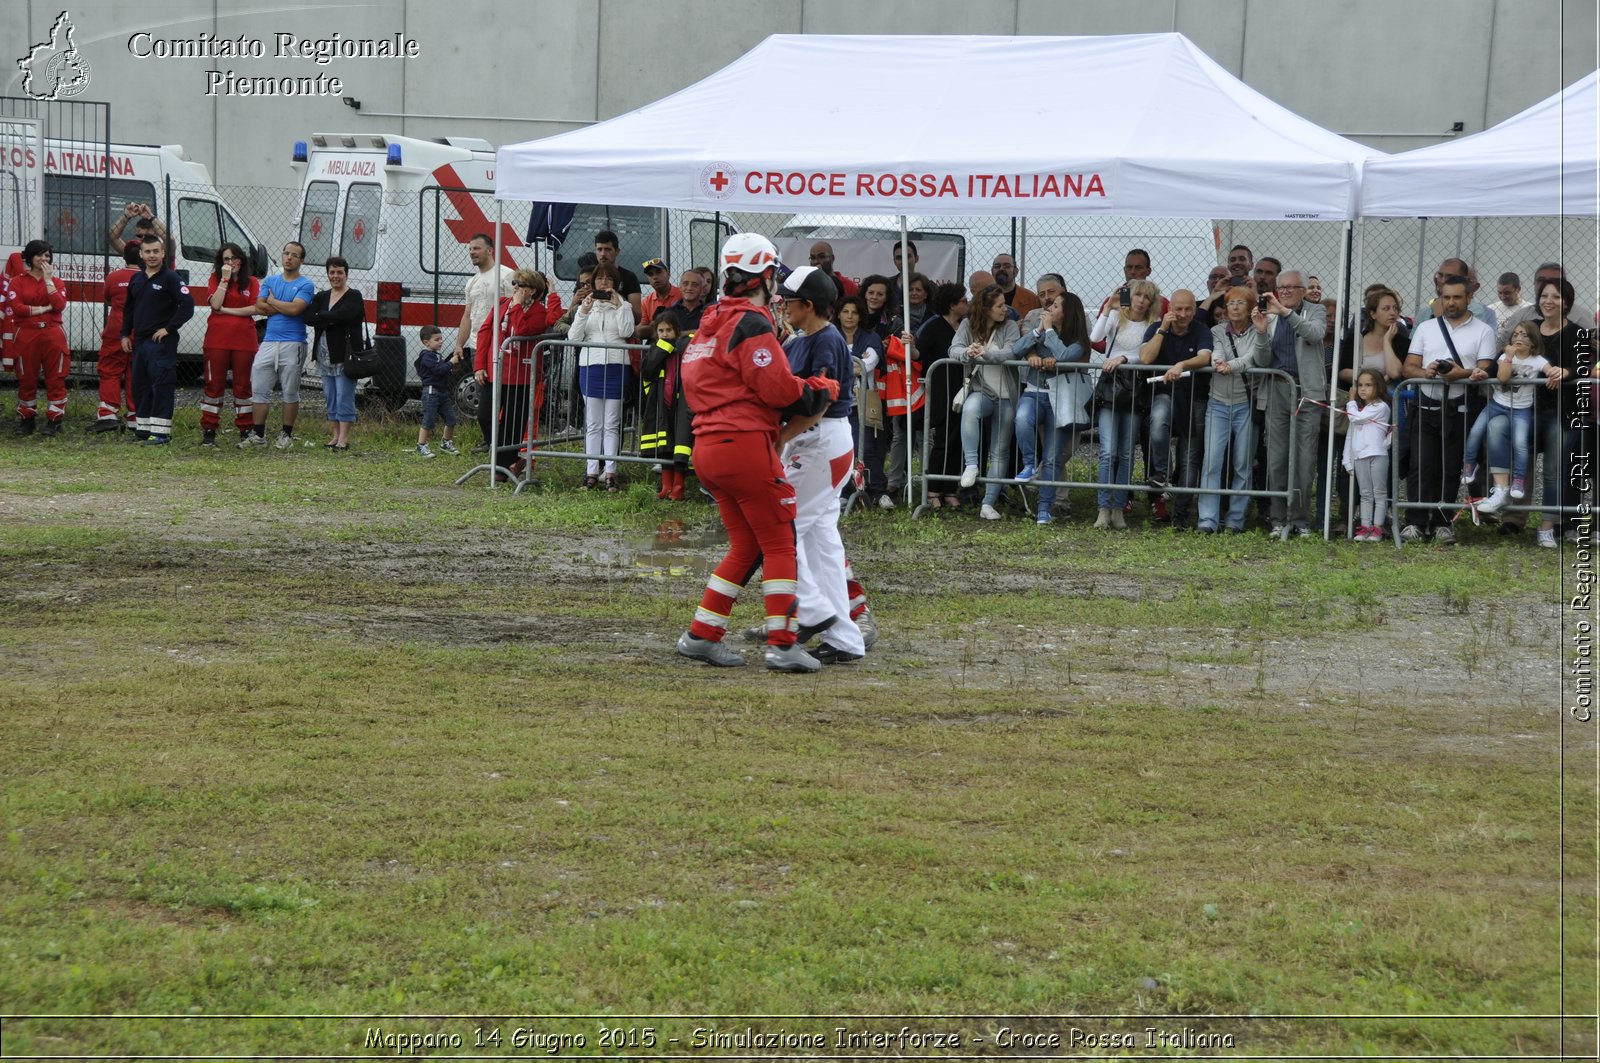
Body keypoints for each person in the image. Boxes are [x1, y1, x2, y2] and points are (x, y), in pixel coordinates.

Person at [674, 232, 838, 674]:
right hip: (743, 446)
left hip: (708, 448)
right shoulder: (750, 322)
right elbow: (780, 389)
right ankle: (783, 643)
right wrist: (818, 389)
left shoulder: (709, 323)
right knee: (780, 542)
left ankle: (701, 635)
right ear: (765, 275)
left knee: (745, 545)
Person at [773, 265, 866, 664]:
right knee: (821, 540)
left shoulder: (824, 340)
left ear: (808, 305)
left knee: (783, 529)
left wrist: (781, 437)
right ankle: (846, 638)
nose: (783, 306)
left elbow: (821, 401)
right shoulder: (802, 338)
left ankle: (811, 611)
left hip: (819, 440)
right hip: (816, 442)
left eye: (789, 302)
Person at [1400, 274, 1497, 545]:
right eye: (1446, 297)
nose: (1451, 302)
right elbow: (1408, 367)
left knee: (1450, 467)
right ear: (1440, 297)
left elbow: (1487, 367)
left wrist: (1461, 373)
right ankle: (1415, 522)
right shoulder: (1426, 328)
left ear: (1469, 298)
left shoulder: (1483, 331)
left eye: (1457, 297)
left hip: (1460, 407)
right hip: (1425, 404)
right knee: (1421, 465)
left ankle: (1443, 523)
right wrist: (1425, 372)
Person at [1260, 270, 1329, 539]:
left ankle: (1300, 520)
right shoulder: (1270, 313)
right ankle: (1278, 519)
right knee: (1276, 458)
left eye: (1292, 287)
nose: (1286, 291)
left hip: (1306, 392)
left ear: (1303, 290)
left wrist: (1286, 313)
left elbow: (1314, 334)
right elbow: (1263, 359)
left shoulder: (1316, 310)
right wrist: (1262, 332)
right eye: (1282, 287)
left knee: (1304, 459)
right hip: (1277, 389)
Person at [1011, 291, 1090, 524]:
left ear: (1068, 313)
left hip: (1060, 400)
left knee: (1053, 456)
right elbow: (1017, 349)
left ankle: (1045, 508)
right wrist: (1037, 333)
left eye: (1056, 306)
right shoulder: (1042, 329)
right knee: (1022, 418)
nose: (1050, 308)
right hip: (1034, 393)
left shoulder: (1078, 340)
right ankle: (1028, 464)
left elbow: (1065, 356)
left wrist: (1049, 332)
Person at [1198, 286, 1271, 534]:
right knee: (1211, 461)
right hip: (1217, 403)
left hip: (1245, 404)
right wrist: (1218, 361)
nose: (1235, 307)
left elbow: (1254, 359)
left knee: (1242, 463)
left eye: (1241, 302)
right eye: (1231, 303)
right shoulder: (1217, 330)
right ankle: (1207, 519)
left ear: (1250, 306)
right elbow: (1216, 351)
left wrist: (1231, 365)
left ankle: (1235, 519)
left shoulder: (1261, 330)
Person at [1089, 278, 1160, 529]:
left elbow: (1146, 355)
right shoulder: (1117, 317)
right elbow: (1095, 337)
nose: (1141, 301)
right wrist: (1109, 306)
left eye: (1146, 297)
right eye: (1137, 295)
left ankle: (1118, 507)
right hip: (1111, 389)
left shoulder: (1154, 325)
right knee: (1108, 451)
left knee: (1127, 451)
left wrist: (1123, 358)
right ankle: (1103, 507)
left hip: (1134, 389)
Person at [1141, 289, 1214, 528]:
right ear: (1169, 308)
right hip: (1165, 393)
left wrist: (1181, 364)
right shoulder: (1156, 328)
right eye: (1178, 309)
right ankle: (1160, 474)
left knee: (1189, 457)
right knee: (1159, 418)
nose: (1183, 314)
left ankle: (1182, 514)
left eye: (1188, 309)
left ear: (1195, 309)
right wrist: (1163, 329)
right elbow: (1145, 358)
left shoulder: (1202, 330)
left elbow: (1205, 357)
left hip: (1196, 398)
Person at [476, 268, 561, 469]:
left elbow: (523, 329)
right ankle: (509, 461)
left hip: (520, 376)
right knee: (485, 416)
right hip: (495, 371)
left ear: (532, 290)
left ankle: (503, 467)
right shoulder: (502, 304)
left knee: (513, 424)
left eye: (521, 285)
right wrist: (479, 365)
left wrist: (517, 306)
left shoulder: (538, 311)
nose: (515, 288)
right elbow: (485, 332)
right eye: (514, 283)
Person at [952, 283, 1022, 521]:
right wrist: (967, 352)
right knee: (970, 409)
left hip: (1006, 395)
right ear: (986, 308)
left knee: (999, 451)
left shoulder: (1010, 325)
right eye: (1000, 305)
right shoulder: (967, 325)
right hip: (983, 391)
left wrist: (986, 354)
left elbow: (1013, 352)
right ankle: (971, 464)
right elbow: (953, 348)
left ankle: (988, 503)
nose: (1005, 309)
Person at [1466, 321, 1550, 515]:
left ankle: (1518, 480)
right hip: (1497, 405)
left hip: (1522, 410)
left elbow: (1549, 370)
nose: (1519, 338)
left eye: (1525, 335)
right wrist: (1509, 357)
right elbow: (1503, 377)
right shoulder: (1505, 356)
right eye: (1516, 334)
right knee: (1476, 431)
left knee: (1520, 443)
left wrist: (1553, 373)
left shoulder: (1538, 360)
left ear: (1534, 343)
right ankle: (1469, 465)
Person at [121, 234, 195, 446]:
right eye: (148, 252)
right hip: (140, 343)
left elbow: (188, 305)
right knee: (140, 386)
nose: (152, 255)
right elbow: (129, 309)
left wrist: (169, 328)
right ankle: (144, 431)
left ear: (163, 253)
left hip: (161, 344)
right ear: (141, 254)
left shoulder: (171, 278)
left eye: (156, 251)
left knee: (161, 386)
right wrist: (125, 334)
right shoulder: (136, 279)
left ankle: (161, 433)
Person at [569, 262, 636, 491]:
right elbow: (573, 337)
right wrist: (583, 310)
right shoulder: (587, 307)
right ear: (593, 283)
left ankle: (610, 473)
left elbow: (626, 332)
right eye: (600, 279)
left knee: (612, 423)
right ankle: (590, 473)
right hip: (591, 366)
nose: (604, 282)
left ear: (615, 283)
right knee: (593, 423)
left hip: (617, 365)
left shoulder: (623, 304)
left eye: (609, 279)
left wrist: (619, 307)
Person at [243, 241, 315, 449]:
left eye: (294, 255)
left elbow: (295, 310)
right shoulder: (271, 280)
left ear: (301, 260)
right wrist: (283, 305)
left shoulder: (306, 284)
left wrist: (273, 302)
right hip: (269, 341)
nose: (289, 258)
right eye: (286, 253)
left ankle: (286, 435)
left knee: (290, 392)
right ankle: (258, 435)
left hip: (293, 342)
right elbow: (259, 305)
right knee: (259, 389)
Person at [453, 233, 514, 449]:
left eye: (476, 248)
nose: (472, 253)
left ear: (490, 250)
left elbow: (514, 310)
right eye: (470, 249)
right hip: (477, 346)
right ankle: (490, 441)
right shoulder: (472, 282)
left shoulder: (506, 275)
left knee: (501, 400)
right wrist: (459, 344)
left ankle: (503, 443)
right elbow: (468, 315)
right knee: (484, 401)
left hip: (499, 347)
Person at [198, 242, 261, 446]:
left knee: (243, 387)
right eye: (226, 259)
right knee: (213, 385)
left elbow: (254, 309)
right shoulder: (216, 279)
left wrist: (226, 311)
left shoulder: (251, 282)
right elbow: (215, 304)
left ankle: (245, 429)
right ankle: (209, 430)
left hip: (244, 340)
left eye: (234, 258)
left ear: (241, 260)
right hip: (217, 340)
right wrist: (225, 279)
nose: (231, 262)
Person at [303, 255, 366, 451]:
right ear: (328, 274)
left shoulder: (354, 296)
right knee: (330, 395)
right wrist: (331, 319)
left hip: (345, 356)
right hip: (324, 355)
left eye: (340, 272)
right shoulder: (322, 296)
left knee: (343, 396)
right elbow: (308, 317)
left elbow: (346, 314)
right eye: (332, 272)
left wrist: (323, 316)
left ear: (346, 274)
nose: (335, 276)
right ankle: (335, 435)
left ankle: (344, 439)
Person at [917, 282, 969, 510]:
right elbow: (919, 354)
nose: (967, 304)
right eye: (963, 301)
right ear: (952, 304)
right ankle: (933, 489)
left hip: (962, 388)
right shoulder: (933, 327)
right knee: (943, 439)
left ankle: (950, 487)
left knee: (958, 439)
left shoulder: (964, 327)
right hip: (941, 389)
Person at [9, 240, 70, 436]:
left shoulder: (57, 281)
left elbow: (59, 305)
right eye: (39, 255)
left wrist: (49, 280)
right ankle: (27, 419)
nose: (44, 259)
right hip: (26, 333)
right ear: (29, 257)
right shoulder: (17, 281)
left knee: (56, 378)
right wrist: (44, 308)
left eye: (47, 255)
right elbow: (18, 309)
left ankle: (55, 420)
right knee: (26, 376)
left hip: (52, 333)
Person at [640, 310, 692, 500]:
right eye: (661, 330)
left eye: (669, 330)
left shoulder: (684, 348)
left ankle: (679, 486)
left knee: (680, 445)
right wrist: (662, 347)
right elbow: (647, 371)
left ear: (677, 331)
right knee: (665, 446)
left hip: (681, 404)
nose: (665, 334)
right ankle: (666, 485)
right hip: (663, 404)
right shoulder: (657, 349)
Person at [93, 241, 143, 434]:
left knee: (110, 371)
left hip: (115, 329)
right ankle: (135, 416)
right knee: (135, 373)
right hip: (139, 330)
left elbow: (107, 299)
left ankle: (108, 414)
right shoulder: (147, 277)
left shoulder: (113, 277)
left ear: (124, 257)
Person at [1341, 369, 1392, 542]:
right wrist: (1346, 460)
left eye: (1368, 385)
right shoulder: (1360, 409)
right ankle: (1365, 527)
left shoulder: (1380, 407)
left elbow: (1356, 419)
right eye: (1360, 385)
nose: (1362, 389)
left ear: (1378, 387)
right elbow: (1351, 434)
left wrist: (1351, 401)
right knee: (1365, 493)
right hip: (1360, 456)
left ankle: (1377, 527)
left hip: (1377, 454)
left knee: (1379, 492)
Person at [414, 326, 462, 457]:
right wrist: (451, 362)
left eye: (441, 339)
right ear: (426, 342)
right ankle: (421, 445)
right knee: (428, 419)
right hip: (431, 393)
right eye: (436, 339)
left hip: (442, 393)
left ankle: (446, 443)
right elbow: (438, 370)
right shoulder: (426, 356)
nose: (440, 342)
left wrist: (451, 370)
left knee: (451, 418)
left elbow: (442, 371)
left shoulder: (436, 356)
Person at [592, 230, 643, 320]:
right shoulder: (588, 275)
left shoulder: (629, 277)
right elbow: (574, 312)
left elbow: (637, 316)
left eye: (607, 249)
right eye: (599, 249)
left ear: (617, 251)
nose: (603, 254)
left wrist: (618, 300)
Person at [636, 258, 682, 338]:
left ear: (668, 273)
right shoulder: (646, 302)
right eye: (650, 274)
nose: (655, 277)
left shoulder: (682, 295)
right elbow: (639, 331)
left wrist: (654, 325)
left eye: (658, 272)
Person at [1487, 272, 1530, 341]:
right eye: (1499, 293)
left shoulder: (1528, 309)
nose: (1503, 297)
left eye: (1507, 293)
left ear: (1518, 289)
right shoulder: (1491, 309)